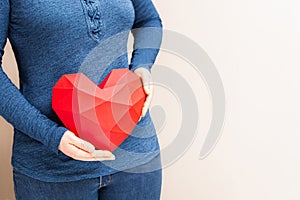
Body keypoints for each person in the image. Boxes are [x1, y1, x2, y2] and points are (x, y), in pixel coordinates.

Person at [0, 0, 163, 199]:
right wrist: (51, 135)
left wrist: (142, 65)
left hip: (137, 159)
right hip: (53, 170)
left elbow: (149, 20)